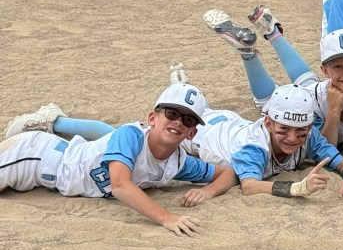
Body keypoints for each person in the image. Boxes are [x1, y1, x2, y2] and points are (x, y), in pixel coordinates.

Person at [1, 83, 236, 236]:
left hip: (46, 173)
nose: (178, 122)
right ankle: (45, 123)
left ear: (192, 133)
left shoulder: (178, 162)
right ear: (153, 118)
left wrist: (208, 191)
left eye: (187, 120)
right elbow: (120, 185)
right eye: (172, 114)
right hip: (36, 158)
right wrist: (167, 218)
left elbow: (228, 173)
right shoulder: (131, 135)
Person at [203, 6, 343, 149]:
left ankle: (273, 32)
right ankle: (247, 53)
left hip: (313, 88)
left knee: (308, 82)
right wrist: (333, 112)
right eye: (338, 66)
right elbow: (325, 148)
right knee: (269, 100)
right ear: (325, 70)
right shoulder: (311, 100)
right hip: (301, 96)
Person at [179, 75, 343, 200]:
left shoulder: (311, 135)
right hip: (204, 134)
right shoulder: (254, 146)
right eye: (284, 130)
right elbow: (249, 186)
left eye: (300, 131)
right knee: (179, 115)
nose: (292, 138)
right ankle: (179, 84)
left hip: (233, 121)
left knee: (205, 109)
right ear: (268, 123)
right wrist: (297, 188)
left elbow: (341, 162)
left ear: (309, 126)